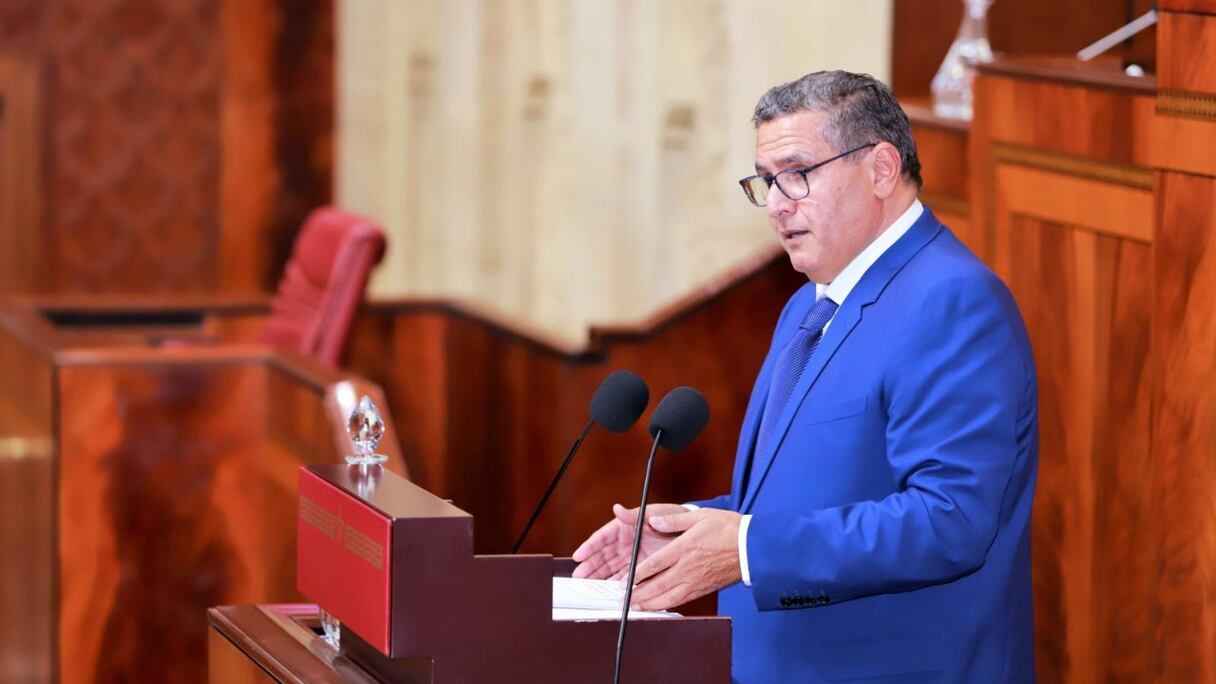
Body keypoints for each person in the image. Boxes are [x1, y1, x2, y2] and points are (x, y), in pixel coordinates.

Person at [572, 70, 1039, 683]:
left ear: (879, 169)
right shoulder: (810, 304)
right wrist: (688, 532)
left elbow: (949, 520)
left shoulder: (952, 301)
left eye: (797, 174)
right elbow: (795, 501)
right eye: (765, 182)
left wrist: (743, 550)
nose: (776, 204)